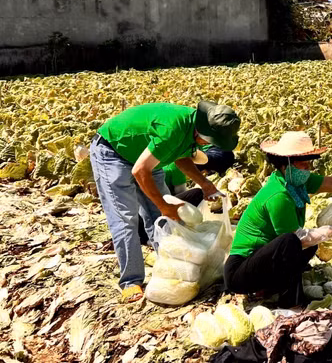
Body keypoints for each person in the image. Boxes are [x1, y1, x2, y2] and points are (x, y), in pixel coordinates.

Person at [90, 100, 241, 303]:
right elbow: (140, 171)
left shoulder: (193, 130)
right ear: (201, 131)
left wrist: (205, 184)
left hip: (149, 156)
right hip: (113, 154)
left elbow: (181, 158)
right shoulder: (172, 129)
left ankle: (169, 267)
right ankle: (131, 281)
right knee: (125, 219)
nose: (208, 145)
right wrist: (163, 205)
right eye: (209, 141)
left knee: (162, 217)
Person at [224, 131, 332, 308]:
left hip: (259, 260)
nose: (308, 167)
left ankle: (271, 287)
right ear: (286, 163)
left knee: (309, 245)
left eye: (309, 162)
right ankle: (290, 301)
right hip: (239, 273)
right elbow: (294, 239)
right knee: (292, 242)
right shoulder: (278, 195)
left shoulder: (293, 181)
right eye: (303, 163)